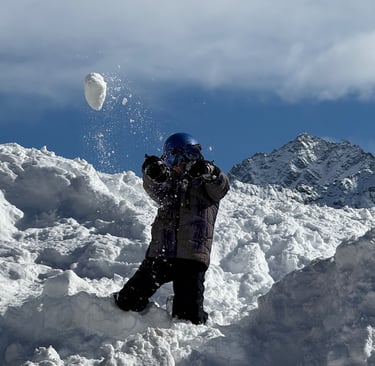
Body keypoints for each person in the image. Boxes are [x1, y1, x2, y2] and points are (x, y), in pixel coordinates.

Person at [114, 132, 230, 324]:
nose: (180, 164)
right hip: (161, 255)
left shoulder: (205, 186)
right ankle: (142, 319)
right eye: (173, 159)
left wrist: (210, 171)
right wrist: (151, 172)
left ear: (195, 156)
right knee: (127, 301)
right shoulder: (170, 185)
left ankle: (185, 310)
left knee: (189, 319)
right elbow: (155, 188)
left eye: (186, 157)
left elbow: (222, 186)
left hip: (191, 258)